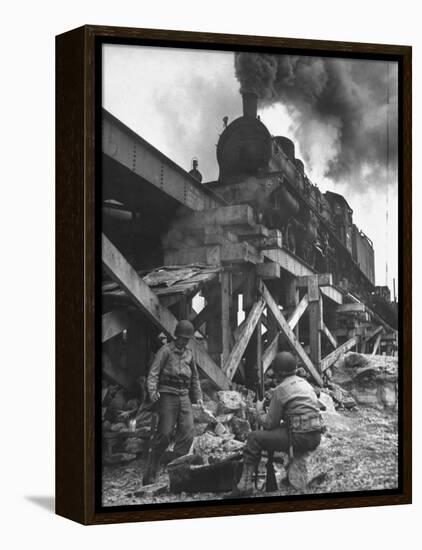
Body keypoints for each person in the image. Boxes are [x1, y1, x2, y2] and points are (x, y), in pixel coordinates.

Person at [230, 351, 323, 497]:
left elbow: (269, 424)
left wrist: (259, 411)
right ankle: (289, 474)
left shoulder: (280, 389)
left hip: (300, 437)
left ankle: (245, 485)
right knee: (282, 430)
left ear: (279, 373)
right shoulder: (304, 383)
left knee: (254, 437)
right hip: (315, 435)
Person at [145, 320, 203, 482]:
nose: (184, 342)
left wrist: (198, 397)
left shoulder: (189, 354)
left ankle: (177, 471)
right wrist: (152, 391)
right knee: (164, 434)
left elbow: (195, 379)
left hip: (184, 395)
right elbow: (153, 374)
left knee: (188, 433)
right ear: (176, 336)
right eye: (183, 338)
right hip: (167, 395)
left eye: (187, 339)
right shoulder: (165, 351)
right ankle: (151, 471)